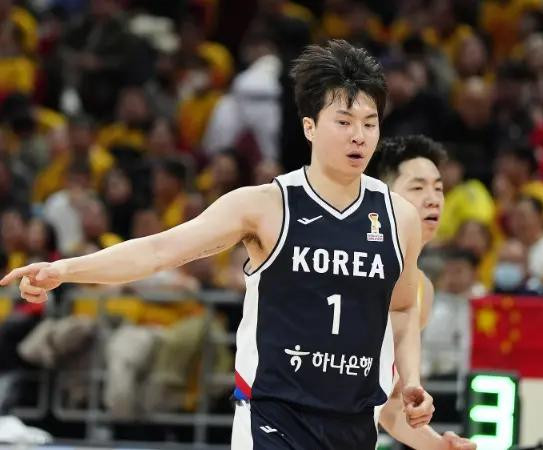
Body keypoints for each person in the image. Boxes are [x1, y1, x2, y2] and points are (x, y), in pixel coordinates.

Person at [1, 39, 433, 449]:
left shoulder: (399, 218)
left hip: (355, 421)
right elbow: (160, 250)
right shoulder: (264, 206)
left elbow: (402, 308)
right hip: (273, 416)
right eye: (344, 122)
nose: (359, 135)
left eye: (369, 123)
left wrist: (410, 379)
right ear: (310, 127)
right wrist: (65, 269)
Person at [369, 135, 476, 450]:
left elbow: (389, 405)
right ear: (380, 197)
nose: (433, 199)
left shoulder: (421, 291)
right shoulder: (347, 263)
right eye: (417, 188)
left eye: (439, 188)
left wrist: (440, 446)